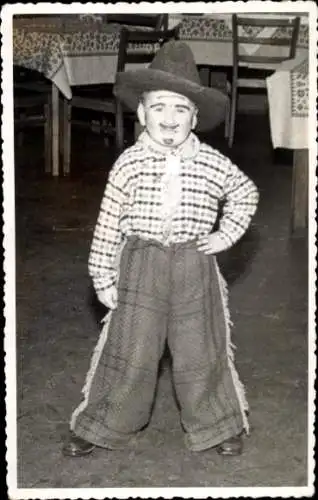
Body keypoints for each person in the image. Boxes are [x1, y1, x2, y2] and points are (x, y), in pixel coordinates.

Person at [62, 40, 259, 458]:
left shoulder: (210, 161)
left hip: (193, 263)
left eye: (181, 108)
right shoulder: (129, 164)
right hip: (141, 264)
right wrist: (103, 276)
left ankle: (217, 424)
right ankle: (107, 423)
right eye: (159, 107)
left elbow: (245, 192)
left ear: (195, 117)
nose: (169, 118)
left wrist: (225, 235)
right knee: (131, 347)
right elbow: (109, 223)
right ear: (141, 112)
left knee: (200, 346)